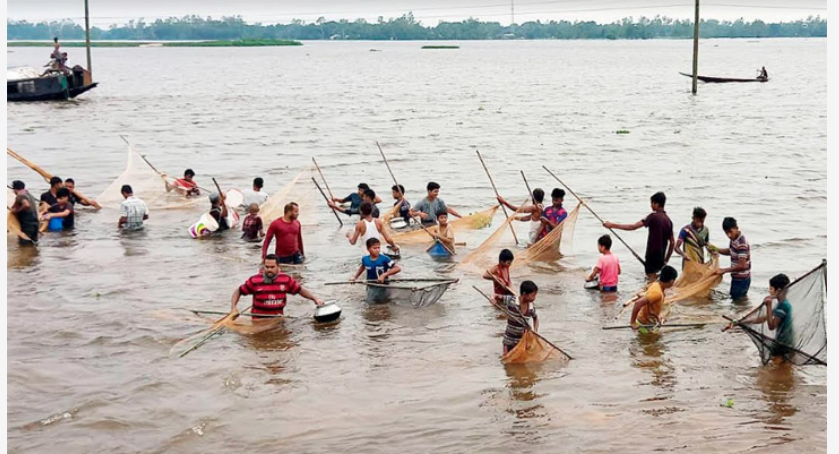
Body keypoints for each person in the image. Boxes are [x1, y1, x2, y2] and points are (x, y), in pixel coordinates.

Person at [604, 191, 674, 282]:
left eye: (652, 203)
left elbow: (633, 227)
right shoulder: (668, 220)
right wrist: (666, 259)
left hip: (651, 254)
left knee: (650, 279)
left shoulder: (653, 216)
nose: (651, 206)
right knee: (655, 278)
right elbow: (672, 242)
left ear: (656, 204)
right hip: (661, 256)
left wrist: (612, 225)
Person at [231, 254, 325, 319]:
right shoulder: (255, 280)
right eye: (267, 267)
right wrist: (233, 308)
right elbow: (238, 291)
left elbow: (300, 290)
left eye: (272, 267)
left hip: (278, 319)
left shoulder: (286, 279)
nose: (269, 270)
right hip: (258, 320)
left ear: (278, 267)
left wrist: (315, 299)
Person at [724, 274, 792, 357]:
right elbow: (762, 319)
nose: (769, 291)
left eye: (771, 288)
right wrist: (738, 322)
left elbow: (771, 326)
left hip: (785, 343)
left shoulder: (783, 306)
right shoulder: (781, 304)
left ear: (778, 290)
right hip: (782, 341)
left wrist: (769, 306)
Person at [630, 265, 678, 331]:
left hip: (650, 321)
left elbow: (651, 307)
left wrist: (657, 317)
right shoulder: (657, 293)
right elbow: (638, 303)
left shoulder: (657, 285)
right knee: (648, 340)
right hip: (644, 324)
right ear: (671, 281)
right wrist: (632, 322)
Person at [714, 217, 751, 300]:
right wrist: (717, 249)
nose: (729, 235)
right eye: (726, 233)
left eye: (730, 232)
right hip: (736, 278)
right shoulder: (734, 239)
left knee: (738, 301)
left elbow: (742, 265)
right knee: (737, 301)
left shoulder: (742, 243)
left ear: (737, 228)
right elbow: (731, 251)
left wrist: (724, 270)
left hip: (742, 280)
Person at [502, 280, 540, 355]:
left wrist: (535, 331)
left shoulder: (531, 307)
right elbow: (496, 296)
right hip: (509, 340)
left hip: (523, 340)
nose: (534, 298)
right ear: (524, 294)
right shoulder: (511, 300)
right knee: (507, 362)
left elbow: (536, 318)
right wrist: (493, 299)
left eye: (535, 295)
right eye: (532, 295)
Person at [10, 180, 40, 245]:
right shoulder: (29, 194)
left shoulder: (20, 196)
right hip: (36, 223)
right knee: (34, 244)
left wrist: (17, 211)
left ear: (15, 189)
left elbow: (26, 205)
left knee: (24, 245)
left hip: (27, 225)